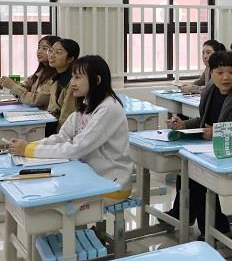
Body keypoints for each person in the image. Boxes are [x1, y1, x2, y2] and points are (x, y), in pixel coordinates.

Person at [9, 55, 133, 204]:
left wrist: (29, 150)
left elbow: (77, 149)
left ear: (97, 80)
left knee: (51, 200)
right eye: (72, 77)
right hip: (90, 176)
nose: (72, 82)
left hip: (111, 184)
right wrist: (30, 146)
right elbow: (62, 137)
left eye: (78, 77)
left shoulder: (108, 108)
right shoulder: (86, 105)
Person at [165, 51, 232, 238]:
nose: (226, 77)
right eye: (220, 72)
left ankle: (215, 229)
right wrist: (184, 125)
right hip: (212, 151)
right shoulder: (210, 91)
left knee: (199, 178)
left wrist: (217, 133)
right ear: (211, 73)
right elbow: (205, 122)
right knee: (189, 174)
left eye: (231, 72)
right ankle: (212, 227)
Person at [1, 35, 61, 108]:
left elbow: (36, 100)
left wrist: (13, 86)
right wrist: (14, 87)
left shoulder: (56, 75)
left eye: (45, 48)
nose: (39, 51)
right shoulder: (40, 73)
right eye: (39, 47)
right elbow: (24, 86)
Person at [46, 38, 80, 136]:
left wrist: (55, 140)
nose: (52, 55)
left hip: (64, 133)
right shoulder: (56, 78)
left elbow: (66, 117)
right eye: (51, 50)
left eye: (58, 52)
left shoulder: (73, 83)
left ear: (70, 59)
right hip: (53, 127)